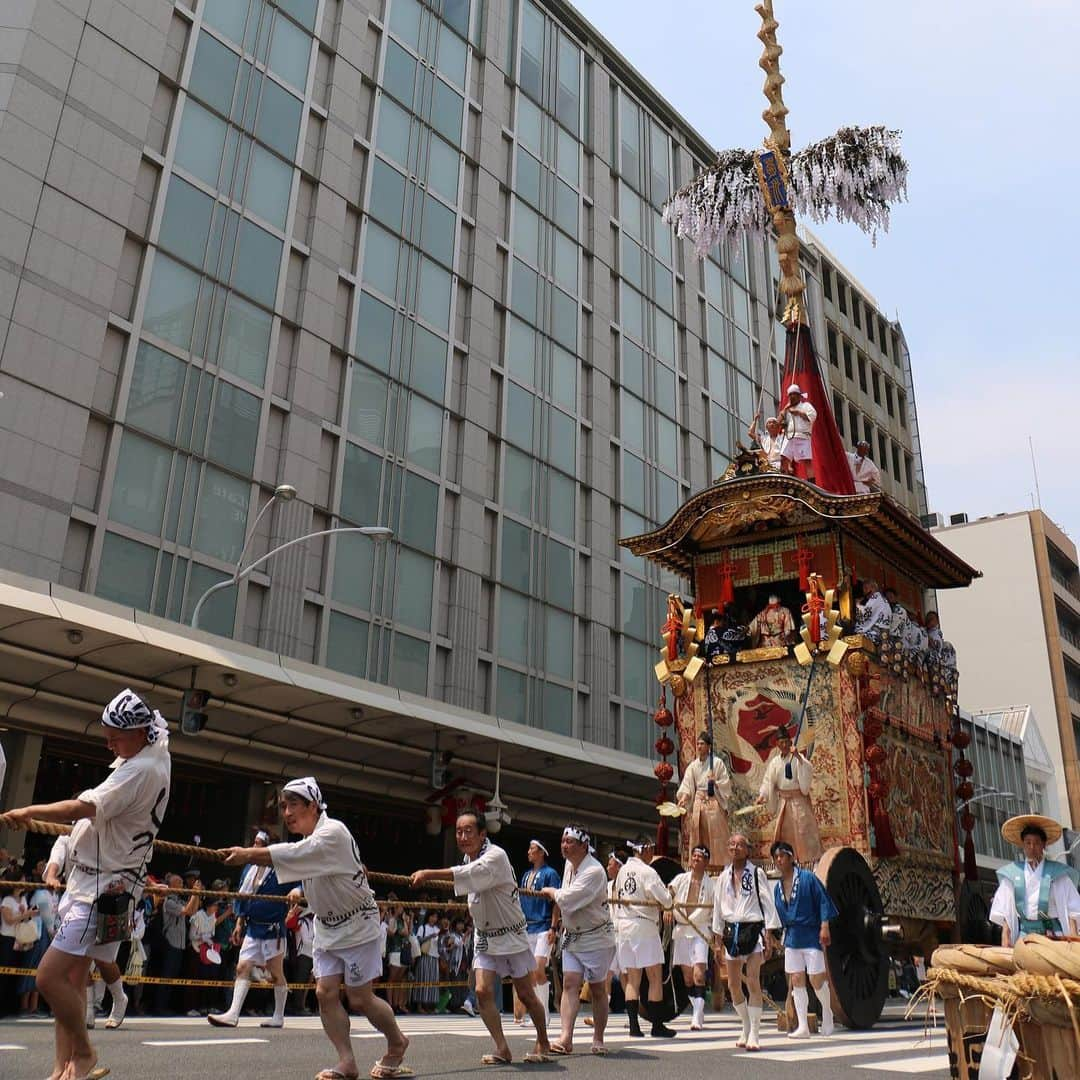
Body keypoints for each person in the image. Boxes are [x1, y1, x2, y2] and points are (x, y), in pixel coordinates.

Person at [0, 687, 171, 1080]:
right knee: (73, 979)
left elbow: (81, 808)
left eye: (116, 735)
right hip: (104, 883)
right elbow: (78, 827)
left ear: (142, 730)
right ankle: (65, 1068)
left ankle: (84, 1052)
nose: (108, 743)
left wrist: (28, 810)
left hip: (101, 889)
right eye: (107, 733)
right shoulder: (153, 755)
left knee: (48, 977)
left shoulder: (141, 769)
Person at [221, 778, 409, 1080]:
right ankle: (346, 1062)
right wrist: (304, 898)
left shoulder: (332, 832)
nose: (287, 812)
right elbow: (323, 879)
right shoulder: (309, 842)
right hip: (326, 926)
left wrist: (247, 853)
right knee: (324, 992)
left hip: (358, 924)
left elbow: (296, 855)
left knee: (360, 998)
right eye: (284, 806)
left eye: (294, 804)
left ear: (313, 806)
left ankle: (397, 1042)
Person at [411, 810, 550, 1065]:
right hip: (485, 935)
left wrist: (428, 873)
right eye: (459, 832)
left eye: (469, 831)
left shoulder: (495, 856)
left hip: (511, 933)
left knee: (526, 993)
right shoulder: (467, 857)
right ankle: (502, 1048)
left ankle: (543, 1040)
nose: (463, 836)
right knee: (482, 990)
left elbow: (463, 875)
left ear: (483, 834)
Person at [42, 818, 132, 1031]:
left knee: (102, 960)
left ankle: (119, 998)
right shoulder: (67, 836)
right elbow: (56, 859)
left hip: (105, 904)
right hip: (77, 902)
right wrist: (53, 876)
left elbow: (131, 867)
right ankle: (87, 1010)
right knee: (77, 962)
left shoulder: (109, 835)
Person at [539, 825, 615, 1056]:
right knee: (571, 983)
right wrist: (555, 924)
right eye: (563, 840)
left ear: (584, 846)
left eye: (570, 841)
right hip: (572, 935)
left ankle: (598, 1038)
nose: (564, 845)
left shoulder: (594, 871)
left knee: (597, 989)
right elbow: (564, 901)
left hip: (597, 937)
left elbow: (568, 898)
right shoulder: (568, 865)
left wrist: (552, 892)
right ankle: (565, 1038)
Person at [209, 830, 290, 1028]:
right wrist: (239, 923)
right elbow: (241, 896)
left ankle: (278, 1015)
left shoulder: (282, 868)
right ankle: (233, 1013)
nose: (254, 847)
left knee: (275, 973)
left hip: (273, 929)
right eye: (253, 842)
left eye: (258, 843)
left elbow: (300, 886)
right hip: (253, 927)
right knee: (242, 967)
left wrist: (296, 892)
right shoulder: (248, 868)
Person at [712, 833, 781, 1052]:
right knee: (733, 985)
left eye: (740, 845)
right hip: (732, 930)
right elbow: (717, 908)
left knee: (752, 980)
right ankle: (745, 1024)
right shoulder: (723, 876)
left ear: (747, 850)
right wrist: (717, 940)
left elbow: (767, 903)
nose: (735, 847)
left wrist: (769, 934)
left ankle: (755, 1033)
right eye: (731, 844)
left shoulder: (756, 873)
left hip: (753, 929)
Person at [771, 840, 838, 1038]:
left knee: (816, 979)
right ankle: (803, 1026)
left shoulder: (808, 878)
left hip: (810, 934)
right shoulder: (777, 888)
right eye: (776, 857)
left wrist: (824, 926)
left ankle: (827, 1013)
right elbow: (779, 915)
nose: (779, 859)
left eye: (782, 855)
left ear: (791, 857)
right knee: (797, 978)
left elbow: (823, 901)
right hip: (792, 936)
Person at [613, 836, 675, 1039]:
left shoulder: (622, 871)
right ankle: (657, 1025)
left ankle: (634, 1026)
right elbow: (665, 900)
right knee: (654, 976)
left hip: (625, 926)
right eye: (652, 849)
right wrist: (666, 898)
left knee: (633, 979)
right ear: (645, 849)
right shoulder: (648, 872)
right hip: (643, 926)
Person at [989, 814, 1080, 946]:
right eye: (1028, 842)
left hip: (1053, 937)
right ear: (1023, 845)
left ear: (1044, 845)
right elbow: (1005, 910)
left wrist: (1073, 939)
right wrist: (1005, 936)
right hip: (1025, 938)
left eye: (1037, 842)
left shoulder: (1057, 874)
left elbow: (1073, 909)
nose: (1032, 847)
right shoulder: (1013, 874)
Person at [757, 728, 823, 865]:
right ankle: (786, 863)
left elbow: (808, 768)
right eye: (781, 742)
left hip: (798, 801)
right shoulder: (775, 762)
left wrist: (798, 757)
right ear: (777, 745)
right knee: (784, 835)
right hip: (784, 803)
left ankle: (808, 863)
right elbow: (768, 780)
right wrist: (763, 794)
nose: (784, 745)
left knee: (803, 831)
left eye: (787, 742)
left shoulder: (798, 759)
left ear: (790, 742)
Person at [667, 845, 716, 1030]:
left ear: (706, 862)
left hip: (700, 930)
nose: (695, 859)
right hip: (682, 930)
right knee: (688, 978)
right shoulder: (680, 879)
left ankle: (696, 1015)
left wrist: (716, 936)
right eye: (694, 856)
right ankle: (698, 1008)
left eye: (700, 857)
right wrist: (667, 907)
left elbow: (716, 910)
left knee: (699, 975)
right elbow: (667, 894)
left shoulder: (711, 885)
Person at [514, 840, 560, 1024]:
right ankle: (533, 1013)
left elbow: (556, 901)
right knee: (528, 973)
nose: (528, 852)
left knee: (539, 969)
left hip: (544, 926)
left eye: (532, 849)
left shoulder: (551, 874)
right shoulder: (525, 875)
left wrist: (554, 927)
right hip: (527, 927)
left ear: (541, 852)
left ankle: (544, 1013)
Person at [676, 733, 732, 867]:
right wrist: (684, 797)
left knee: (717, 833)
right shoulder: (693, 766)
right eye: (698, 744)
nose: (699, 746)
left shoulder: (717, 763)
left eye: (702, 744)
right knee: (697, 833)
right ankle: (700, 865)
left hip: (713, 800)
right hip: (699, 801)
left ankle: (719, 864)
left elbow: (726, 783)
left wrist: (716, 782)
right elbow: (687, 784)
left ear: (708, 747)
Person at [779, 384, 817, 482]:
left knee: (807, 461)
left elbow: (812, 417)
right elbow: (778, 421)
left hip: (802, 436)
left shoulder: (806, 406)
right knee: (783, 458)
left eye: (794, 394)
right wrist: (785, 409)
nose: (792, 397)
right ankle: (785, 480)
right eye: (790, 395)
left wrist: (799, 413)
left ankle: (812, 483)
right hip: (789, 437)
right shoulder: (787, 409)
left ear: (799, 396)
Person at [412, 909, 441, 1014]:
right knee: (422, 979)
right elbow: (418, 940)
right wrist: (430, 936)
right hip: (425, 956)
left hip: (435, 956)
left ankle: (429, 1005)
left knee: (433, 981)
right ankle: (420, 1005)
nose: (434, 919)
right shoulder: (422, 928)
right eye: (432, 916)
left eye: (435, 917)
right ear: (428, 917)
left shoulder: (438, 929)